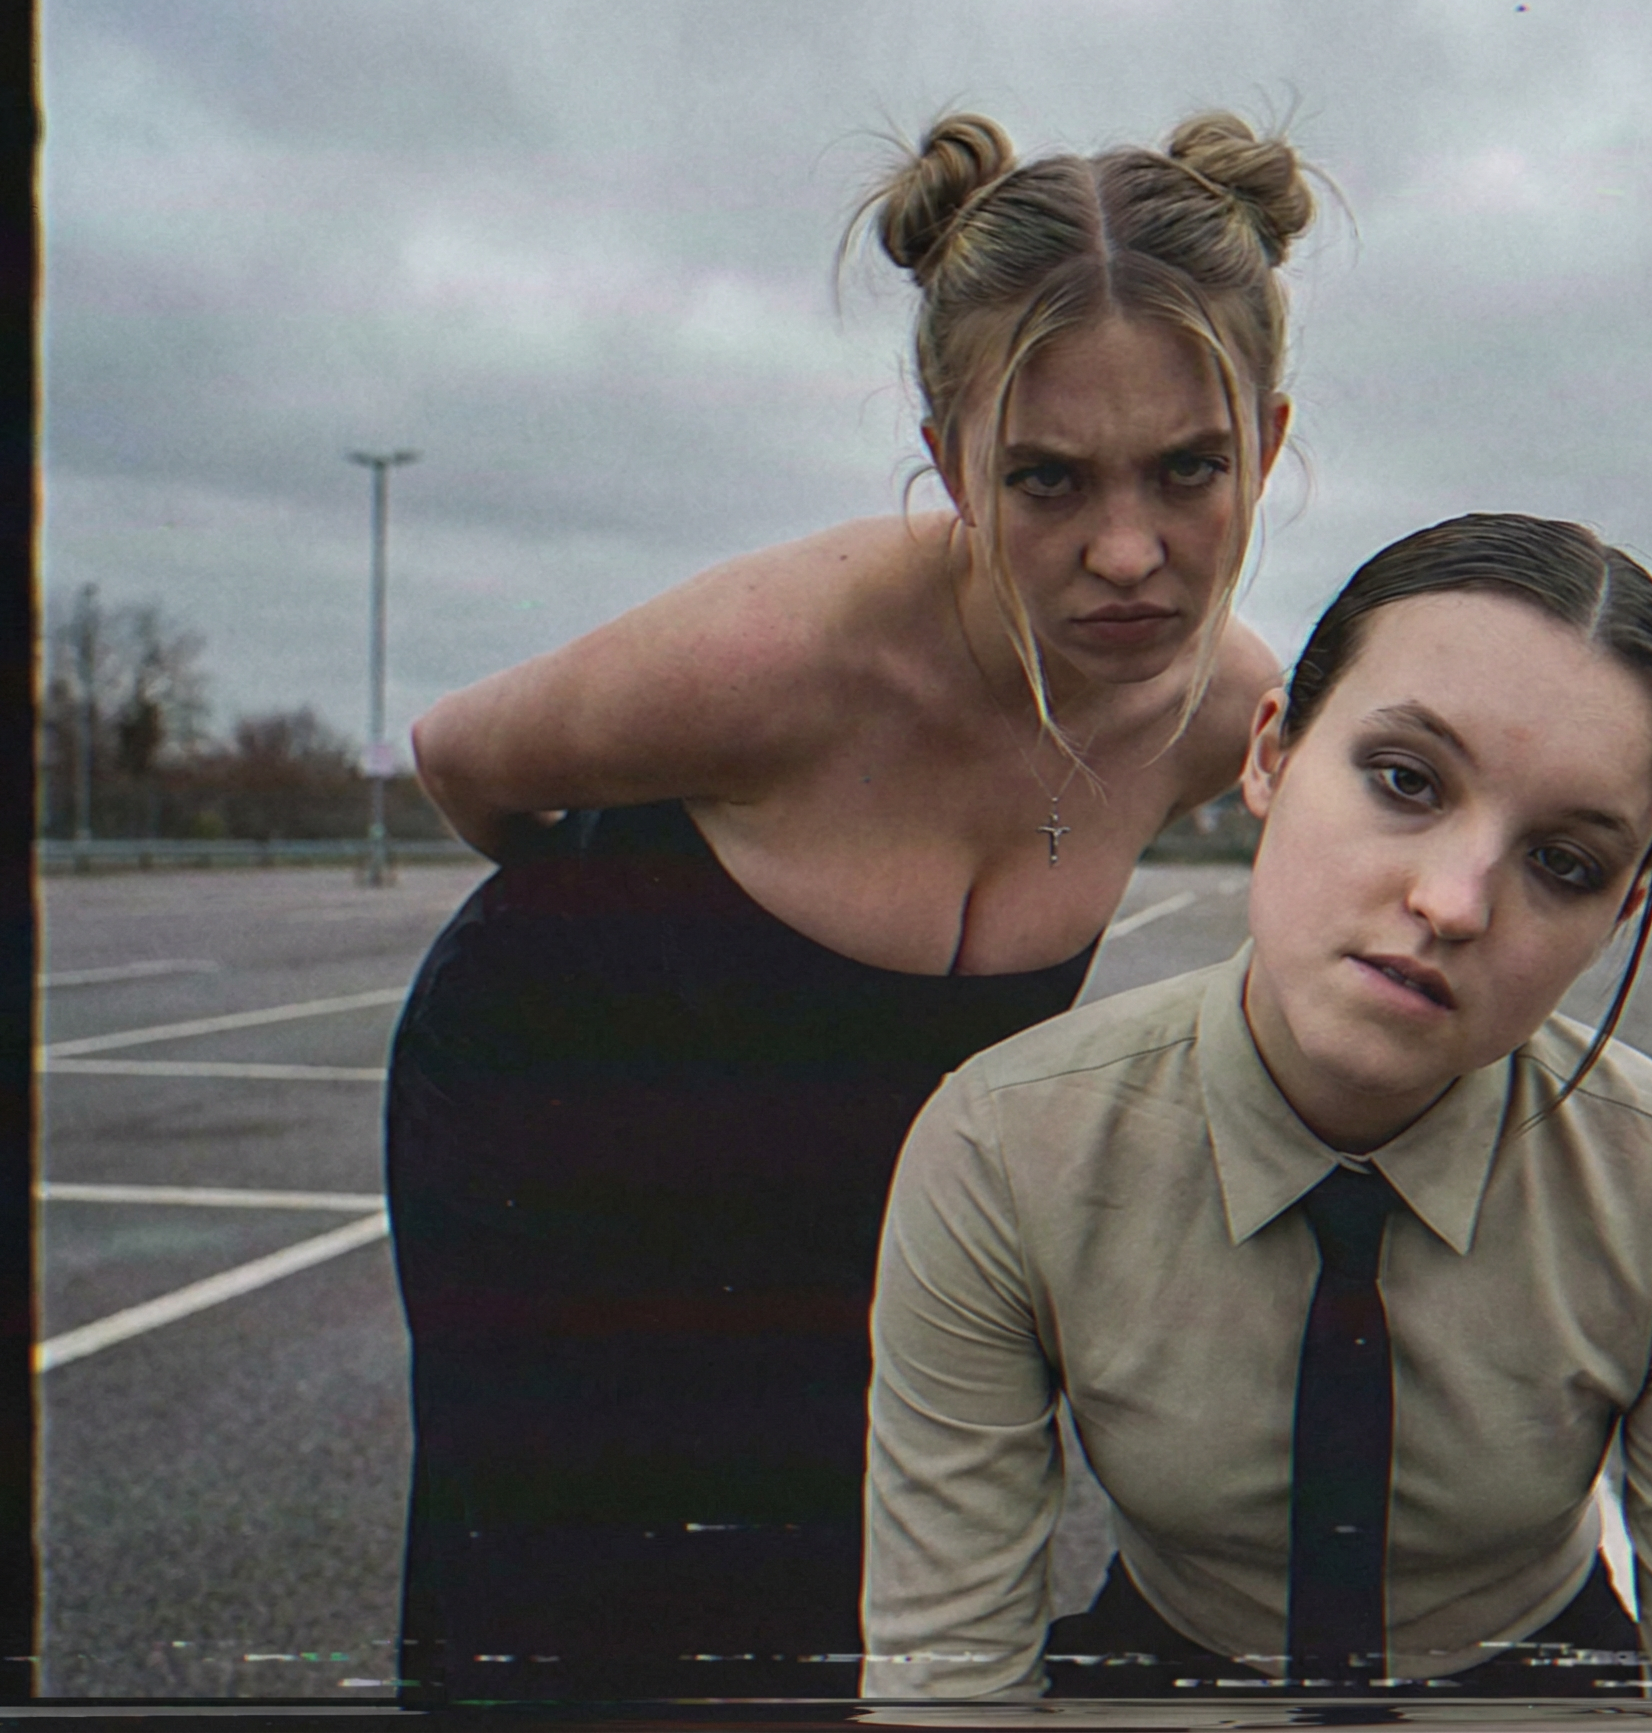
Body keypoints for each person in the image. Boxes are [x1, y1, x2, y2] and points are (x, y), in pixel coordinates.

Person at [382, 109, 1318, 1705]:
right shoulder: (775, 660)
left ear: (1267, 447)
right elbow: (464, 763)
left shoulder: (1219, 711)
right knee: (571, 1612)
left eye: (1188, 469)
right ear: (951, 462)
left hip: (859, 1168)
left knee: (856, 1587)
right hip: (559, 1124)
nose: (1129, 553)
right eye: (1045, 479)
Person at [864, 513, 1652, 1701]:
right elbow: (946, 1675)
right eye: (1406, 780)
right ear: (1270, 752)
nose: (1455, 903)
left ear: (1619, 913)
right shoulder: (1005, 1144)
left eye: (1564, 863)